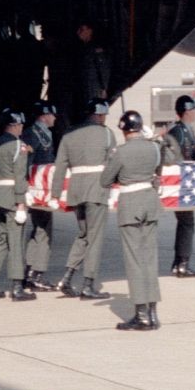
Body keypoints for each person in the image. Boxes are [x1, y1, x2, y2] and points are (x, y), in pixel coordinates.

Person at [49, 99, 118, 300]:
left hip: (77, 191)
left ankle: (67, 277)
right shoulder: (106, 133)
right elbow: (113, 163)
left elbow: (60, 165)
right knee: (94, 237)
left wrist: (55, 194)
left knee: (84, 235)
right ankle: (88, 284)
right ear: (99, 114)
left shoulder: (69, 135)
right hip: (97, 190)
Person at [102, 110, 165, 331]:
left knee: (134, 260)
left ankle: (141, 315)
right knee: (150, 258)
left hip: (131, 204)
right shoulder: (153, 148)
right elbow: (157, 171)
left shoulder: (120, 152)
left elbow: (105, 180)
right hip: (150, 201)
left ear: (123, 129)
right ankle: (153, 312)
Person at [0, 109, 37, 302]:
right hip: (12, 197)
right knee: (16, 243)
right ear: (14, 125)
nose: (22, 128)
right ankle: (16, 287)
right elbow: (19, 177)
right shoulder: (18, 147)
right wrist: (21, 203)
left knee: (2, 241)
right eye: (20, 124)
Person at [162, 94, 195, 279]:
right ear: (187, 111)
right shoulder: (179, 132)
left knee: (185, 223)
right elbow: (178, 158)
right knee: (187, 222)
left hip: (185, 183)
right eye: (194, 109)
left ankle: (178, 262)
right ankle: (183, 264)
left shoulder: (186, 129)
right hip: (181, 184)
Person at [20, 101, 60, 292]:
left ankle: (29, 272)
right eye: (52, 115)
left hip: (38, 187)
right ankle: (37, 274)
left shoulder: (38, 133)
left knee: (38, 230)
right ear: (44, 115)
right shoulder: (34, 134)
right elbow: (27, 163)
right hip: (39, 189)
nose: (55, 118)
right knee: (43, 231)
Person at [74, 23, 111, 108]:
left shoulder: (96, 49)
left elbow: (103, 70)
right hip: (83, 87)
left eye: (82, 29)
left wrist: (104, 88)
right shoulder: (82, 48)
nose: (78, 32)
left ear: (90, 31)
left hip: (93, 87)